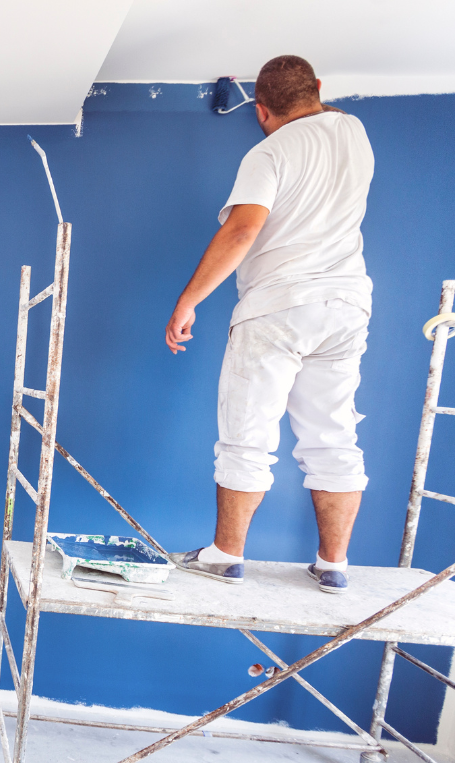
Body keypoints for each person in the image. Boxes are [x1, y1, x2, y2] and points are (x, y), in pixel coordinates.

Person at [164, 55, 374, 595]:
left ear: (260, 110)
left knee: (247, 434)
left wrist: (188, 301)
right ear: (318, 89)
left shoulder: (268, 152)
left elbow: (242, 230)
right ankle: (333, 565)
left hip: (278, 306)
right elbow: (322, 114)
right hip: (347, 306)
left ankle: (225, 556)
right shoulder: (353, 131)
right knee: (333, 436)